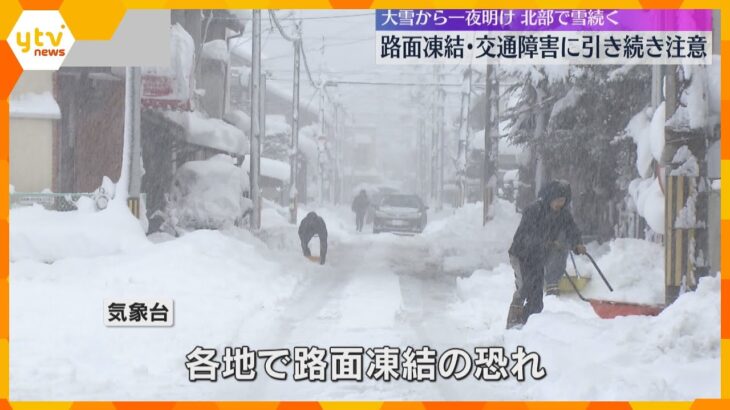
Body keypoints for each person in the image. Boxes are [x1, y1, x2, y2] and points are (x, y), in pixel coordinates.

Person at [506, 180, 586, 329]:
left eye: (563, 201)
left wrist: (577, 244)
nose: (559, 204)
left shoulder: (563, 215)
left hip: (538, 258)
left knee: (536, 298)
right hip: (522, 255)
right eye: (557, 200)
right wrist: (546, 242)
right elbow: (525, 236)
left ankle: (527, 325)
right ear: (549, 198)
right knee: (525, 287)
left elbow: (572, 230)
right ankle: (513, 323)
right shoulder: (533, 211)